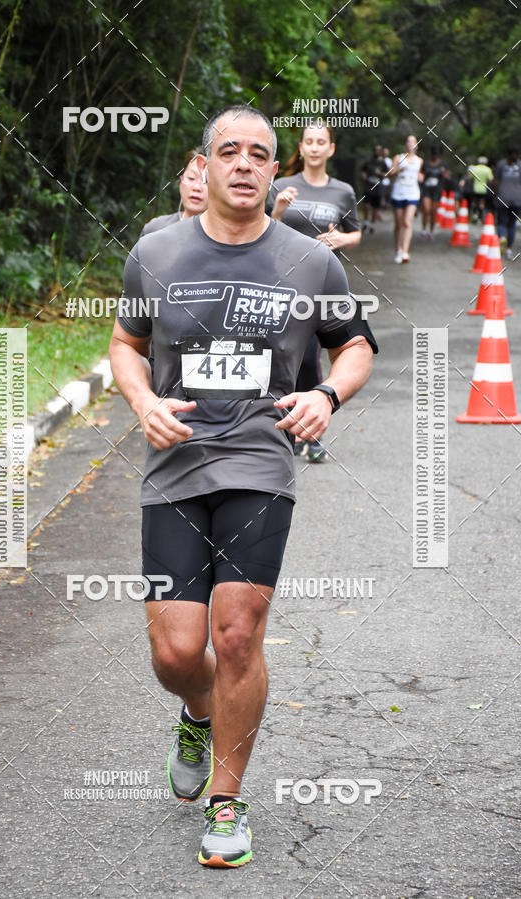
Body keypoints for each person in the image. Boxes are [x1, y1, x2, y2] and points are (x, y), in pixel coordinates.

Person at [109, 104, 377, 868]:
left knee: (236, 633)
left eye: (260, 153)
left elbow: (353, 345)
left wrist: (326, 395)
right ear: (206, 164)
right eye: (230, 151)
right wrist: (143, 400)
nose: (245, 164)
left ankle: (227, 801)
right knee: (176, 651)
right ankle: (197, 711)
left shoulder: (309, 260)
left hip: (260, 462)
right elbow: (126, 343)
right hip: (175, 465)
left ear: (273, 168)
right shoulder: (156, 252)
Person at [267, 119, 362, 462]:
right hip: (282, 286)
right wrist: (277, 211)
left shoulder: (343, 191)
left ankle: (312, 430)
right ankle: (286, 428)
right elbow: (261, 234)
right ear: (302, 147)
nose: (315, 147)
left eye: (322, 141)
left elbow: (355, 233)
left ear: (331, 148)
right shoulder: (281, 185)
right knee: (284, 357)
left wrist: (342, 239)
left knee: (309, 358)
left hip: (322, 289)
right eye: (309, 141)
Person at [140, 146, 207, 236]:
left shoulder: (227, 239)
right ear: (180, 181)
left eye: (206, 181)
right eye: (191, 178)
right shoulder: (155, 229)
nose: (197, 187)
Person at [389, 134, 423, 263]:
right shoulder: (398, 157)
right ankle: (398, 249)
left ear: (416, 145)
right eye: (408, 142)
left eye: (413, 142)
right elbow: (390, 173)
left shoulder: (419, 161)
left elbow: (420, 174)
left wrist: (421, 177)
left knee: (407, 222)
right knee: (398, 224)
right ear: (405, 144)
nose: (410, 144)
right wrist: (398, 170)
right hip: (398, 193)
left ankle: (405, 251)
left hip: (413, 194)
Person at [493, 149, 521, 259]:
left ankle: (501, 238)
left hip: (503, 197)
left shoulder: (501, 164)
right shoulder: (520, 165)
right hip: (517, 199)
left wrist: (495, 195)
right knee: (512, 224)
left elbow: (496, 182)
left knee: (501, 222)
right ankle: (509, 249)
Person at [420, 146, 448, 239]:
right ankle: (423, 230)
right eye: (433, 154)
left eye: (436, 154)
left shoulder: (442, 164)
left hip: (437, 190)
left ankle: (431, 231)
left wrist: (444, 173)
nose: (435, 156)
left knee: (433, 211)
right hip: (427, 188)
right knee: (426, 209)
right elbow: (421, 175)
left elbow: (447, 177)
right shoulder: (426, 163)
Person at [360, 144, 386, 231]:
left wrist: (380, 174)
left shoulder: (383, 162)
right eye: (376, 150)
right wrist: (364, 177)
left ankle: (372, 224)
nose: (377, 152)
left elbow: (387, 173)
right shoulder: (368, 161)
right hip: (369, 185)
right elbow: (362, 170)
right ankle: (366, 221)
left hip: (378, 186)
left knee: (375, 207)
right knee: (366, 205)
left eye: (379, 150)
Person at [467, 155, 494, 220]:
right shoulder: (488, 169)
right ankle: (480, 217)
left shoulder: (474, 168)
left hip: (475, 188)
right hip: (483, 189)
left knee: (474, 202)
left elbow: (470, 177)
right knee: (482, 203)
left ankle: (474, 215)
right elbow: (490, 180)